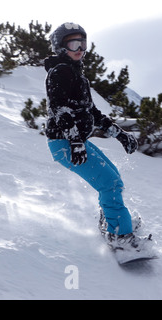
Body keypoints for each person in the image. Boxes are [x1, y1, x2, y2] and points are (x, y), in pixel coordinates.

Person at [44, 22, 149, 252]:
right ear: (61, 47)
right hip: (65, 144)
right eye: (74, 43)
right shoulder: (59, 72)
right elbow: (59, 109)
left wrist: (120, 135)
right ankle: (120, 238)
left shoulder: (78, 77)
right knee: (109, 184)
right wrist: (74, 142)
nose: (80, 48)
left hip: (76, 142)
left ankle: (112, 221)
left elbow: (93, 113)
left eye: (83, 43)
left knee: (114, 179)